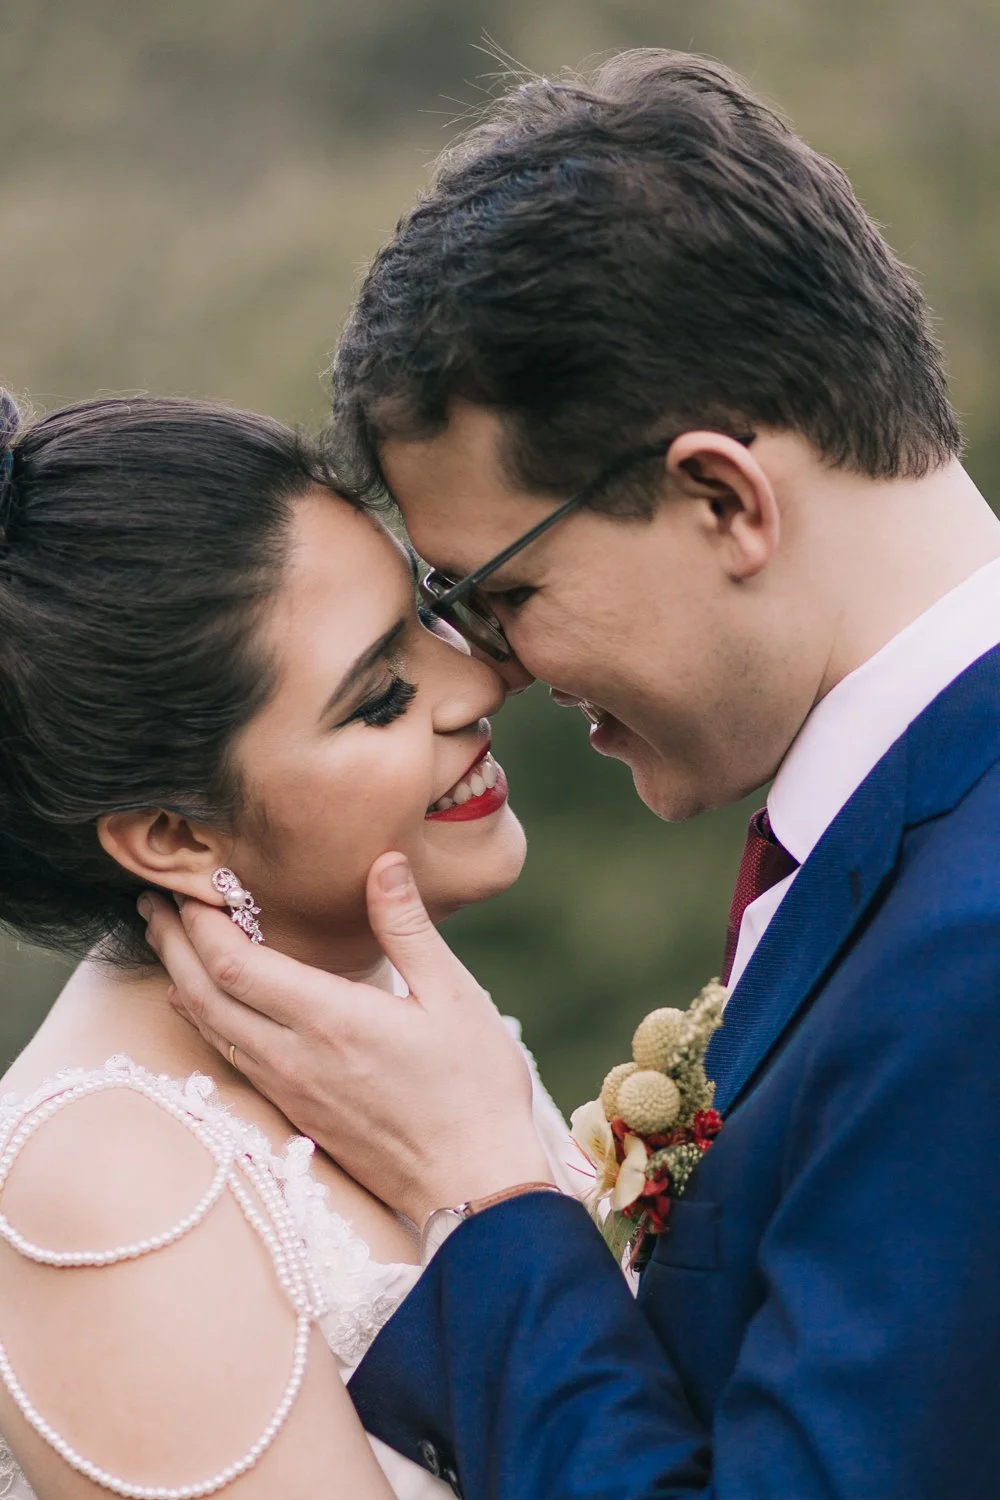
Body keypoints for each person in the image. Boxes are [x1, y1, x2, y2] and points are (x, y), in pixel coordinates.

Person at [144, 49, 1000, 1499]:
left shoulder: (972, 946)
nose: (493, 675)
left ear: (720, 498)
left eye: (497, 594)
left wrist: (481, 1192)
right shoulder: (919, 847)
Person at [0, 391, 577, 1499]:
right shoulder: (105, 1183)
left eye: (432, 615)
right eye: (379, 699)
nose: (481, 683)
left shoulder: (401, 1022)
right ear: (173, 835)